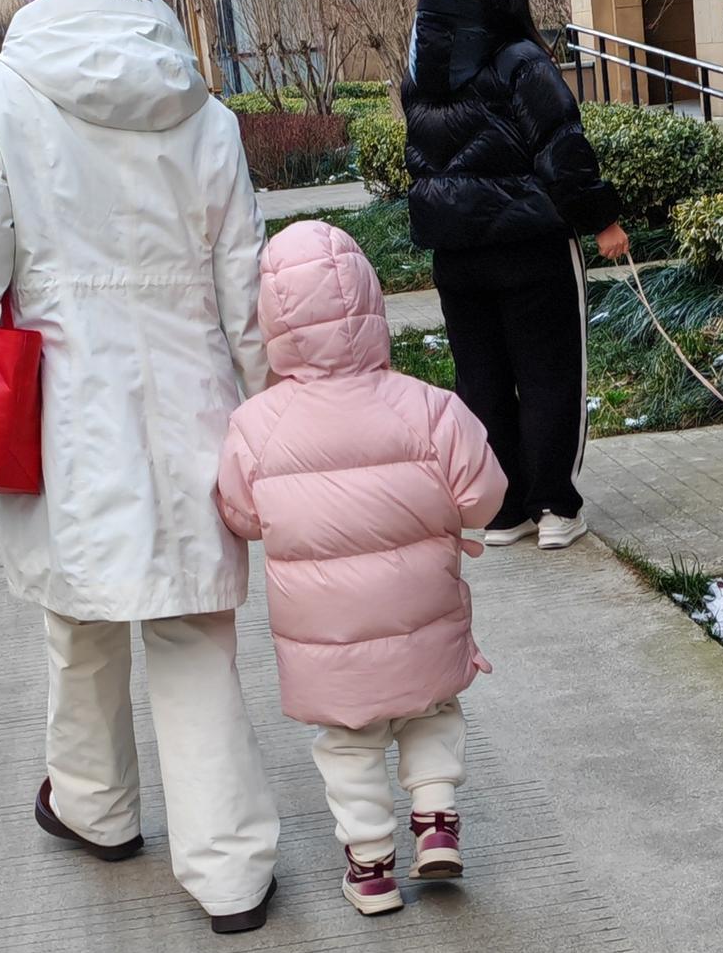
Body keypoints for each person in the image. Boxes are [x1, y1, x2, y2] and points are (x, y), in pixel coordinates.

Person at [0, 0, 280, 935]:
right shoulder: (205, 113)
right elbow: (244, 293)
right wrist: (271, 416)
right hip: (188, 402)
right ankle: (229, 870)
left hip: (62, 410)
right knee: (189, 632)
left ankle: (94, 805)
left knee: (77, 617)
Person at [216, 221, 506, 916]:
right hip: (422, 612)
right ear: (371, 305)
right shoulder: (430, 408)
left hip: (328, 638)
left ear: (274, 321)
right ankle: (436, 821)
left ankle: (371, 866)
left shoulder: (257, 425)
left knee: (349, 746)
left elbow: (240, 514)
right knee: (431, 710)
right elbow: (485, 495)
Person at [402, 0, 630, 551]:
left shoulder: (421, 66)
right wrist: (601, 220)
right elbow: (561, 148)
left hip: (456, 254)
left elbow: (420, 160)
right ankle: (554, 505)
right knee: (550, 372)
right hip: (530, 248)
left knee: (482, 378)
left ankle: (503, 510)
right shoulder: (521, 58)